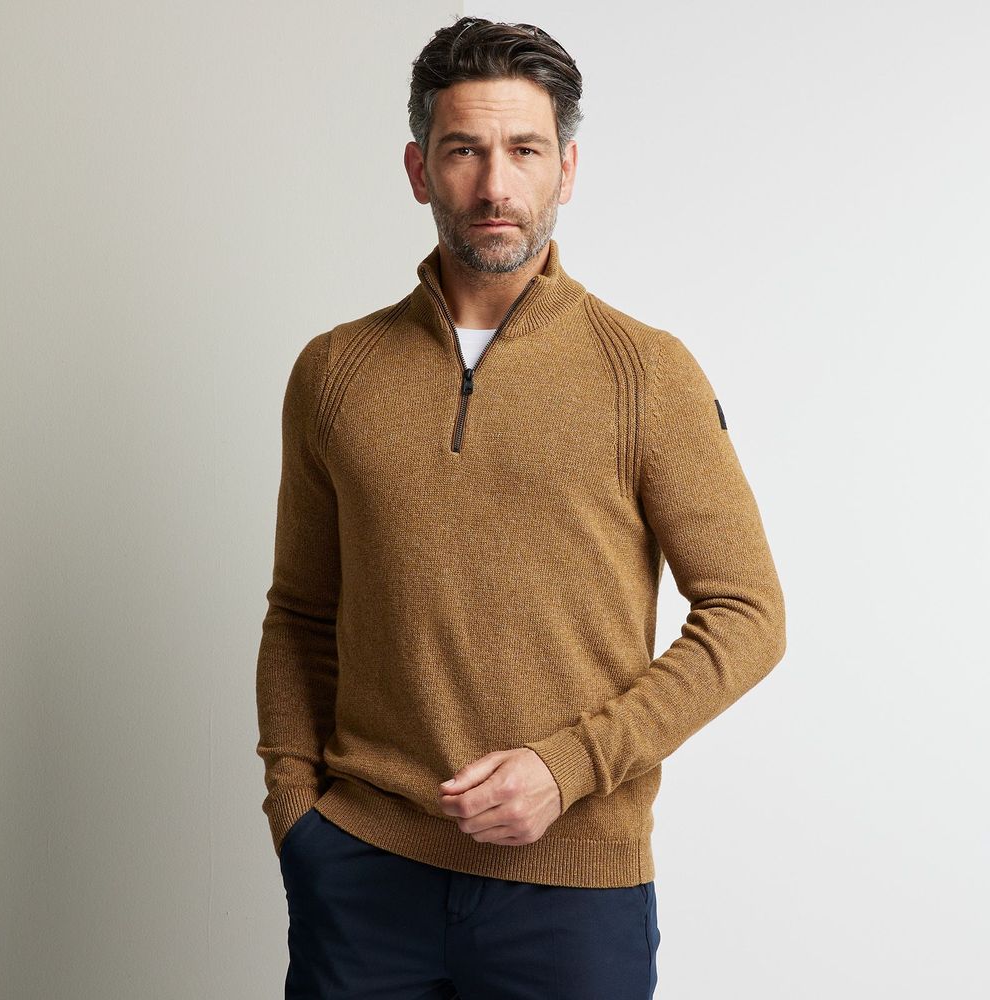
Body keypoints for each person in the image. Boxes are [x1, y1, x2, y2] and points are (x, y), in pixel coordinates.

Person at [255, 16, 786, 1000]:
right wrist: (296, 813)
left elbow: (749, 615)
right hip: (364, 878)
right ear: (418, 169)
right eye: (464, 150)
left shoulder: (647, 373)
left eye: (525, 151)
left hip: (572, 896)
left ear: (566, 170)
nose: (495, 185)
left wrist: (569, 766)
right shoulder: (335, 373)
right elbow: (301, 613)